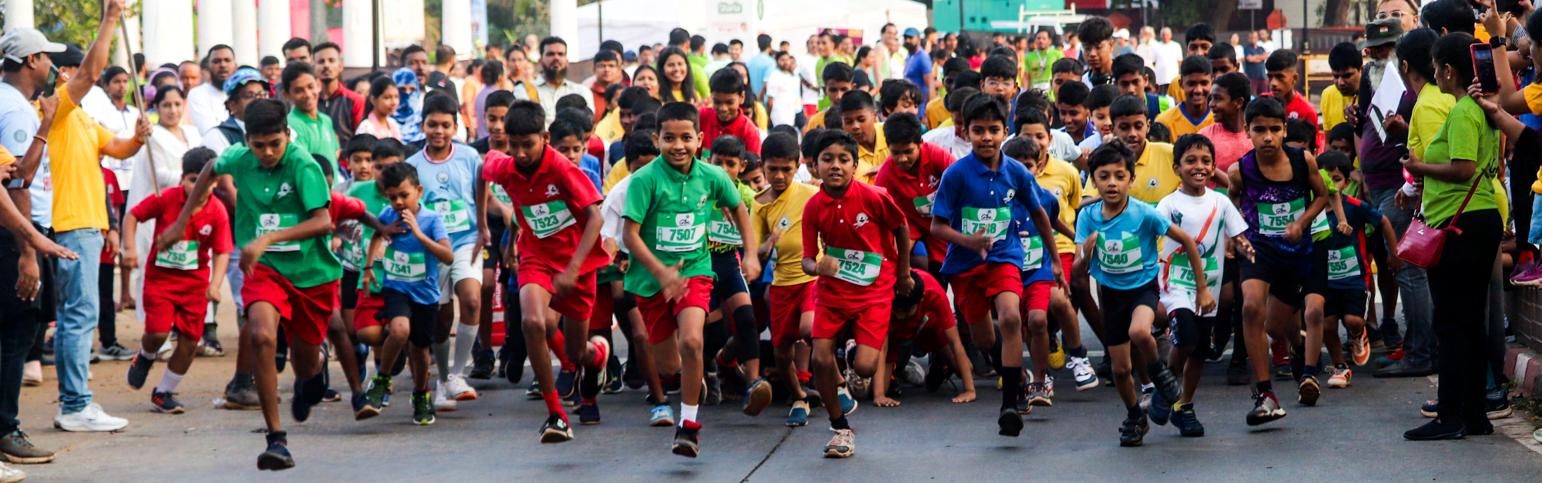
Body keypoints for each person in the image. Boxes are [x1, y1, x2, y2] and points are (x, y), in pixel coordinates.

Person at [159, 98, 338, 470]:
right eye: (259, 145)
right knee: (260, 335)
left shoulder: (303, 165)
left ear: (287, 135)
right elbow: (210, 167)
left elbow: (323, 221)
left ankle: (316, 366)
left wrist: (268, 238)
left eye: (275, 143)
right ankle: (277, 439)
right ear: (247, 141)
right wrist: (181, 221)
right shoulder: (239, 158)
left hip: (309, 274)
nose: (267, 152)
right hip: (265, 269)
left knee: (305, 364)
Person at [621, 102, 760, 457]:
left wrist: (750, 253)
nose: (678, 146)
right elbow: (630, 235)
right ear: (657, 139)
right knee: (670, 366)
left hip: (696, 270)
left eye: (686, 138)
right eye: (669, 138)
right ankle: (690, 378)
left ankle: (688, 425)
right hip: (651, 281)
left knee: (693, 341)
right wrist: (661, 272)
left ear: (699, 139)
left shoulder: (712, 176)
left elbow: (738, 207)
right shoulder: (644, 180)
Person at [930, 94, 1060, 437]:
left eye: (993, 130)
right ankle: (1013, 374)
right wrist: (968, 241)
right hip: (964, 265)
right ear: (966, 132)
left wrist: (1056, 260)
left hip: (1005, 256)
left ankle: (1010, 405)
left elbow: (1040, 215)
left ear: (1005, 131)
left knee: (1012, 317)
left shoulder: (1016, 172)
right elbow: (937, 227)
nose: (986, 137)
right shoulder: (955, 175)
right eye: (978, 130)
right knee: (985, 338)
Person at [42, 0, 141, 433]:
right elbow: (91, 73)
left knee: (78, 316)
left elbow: (115, 147)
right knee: (77, 318)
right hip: (72, 224)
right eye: (76, 68)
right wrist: (111, 18)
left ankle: (76, 401)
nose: (87, 75)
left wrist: (137, 139)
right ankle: (74, 404)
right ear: (64, 73)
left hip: (87, 224)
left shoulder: (80, 118)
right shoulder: (58, 108)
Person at [1401, 32, 1502, 441]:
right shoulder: (1482, 108)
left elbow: (1463, 168)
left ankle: (1450, 415)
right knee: (1469, 321)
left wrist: (1419, 168)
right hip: (1479, 220)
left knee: (1451, 322)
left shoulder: (1462, 111)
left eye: (1436, 67)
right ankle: (1474, 414)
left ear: (1448, 70)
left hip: (1461, 225)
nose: (1434, 74)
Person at [1077, 139, 1209, 447]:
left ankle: (1159, 372)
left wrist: (1202, 289)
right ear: (1093, 180)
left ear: (1131, 179)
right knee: (1121, 370)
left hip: (1143, 289)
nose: (1112, 183)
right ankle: (1135, 415)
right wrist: (1086, 252)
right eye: (1104, 176)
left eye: (1119, 176)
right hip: (1111, 295)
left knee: (1139, 331)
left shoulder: (1144, 214)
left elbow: (1187, 241)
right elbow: (1078, 265)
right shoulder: (1088, 217)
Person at [799, 129, 912, 458]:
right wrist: (818, 267)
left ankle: (852, 352)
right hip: (833, 291)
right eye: (827, 159)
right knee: (820, 358)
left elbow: (901, 227)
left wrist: (903, 273)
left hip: (873, 290)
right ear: (814, 165)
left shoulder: (873, 197)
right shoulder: (813, 207)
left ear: (855, 164)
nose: (835, 166)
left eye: (843, 159)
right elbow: (807, 259)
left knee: (864, 368)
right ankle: (840, 427)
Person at [1226, 96, 1332, 427]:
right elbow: (1232, 201)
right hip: (1260, 249)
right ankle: (1265, 394)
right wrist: (1234, 235)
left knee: (1278, 324)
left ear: (1285, 130)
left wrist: (1301, 223)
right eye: (1259, 130)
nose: (1268, 137)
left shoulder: (1303, 161)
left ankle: (1302, 355)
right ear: (1247, 131)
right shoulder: (1240, 170)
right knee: (1250, 308)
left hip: (1299, 251)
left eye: (1274, 129)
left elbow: (1322, 196)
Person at [121, 147, 231, 414]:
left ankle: (163, 393)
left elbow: (222, 251)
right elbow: (133, 215)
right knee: (158, 332)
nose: (199, 188)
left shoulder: (217, 211)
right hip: (160, 282)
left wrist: (215, 285)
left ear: (216, 183)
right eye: (193, 180)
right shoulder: (167, 198)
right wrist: (130, 248)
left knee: (190, 341)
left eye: (207, 182)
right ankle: (145, 356)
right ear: (182, 179)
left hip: (195, 286)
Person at [1155, 134, 1251, 438]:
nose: (1199, 166)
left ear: (1213, 167)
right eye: (1191, 161)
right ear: (1177, 168)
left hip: (1209, 288)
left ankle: (1184, 406)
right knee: (1185, 335)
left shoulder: (1220, 201)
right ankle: (1166, 388)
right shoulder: (1168, 204)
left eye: (1206, 161)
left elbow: (1238, 233)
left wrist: (1246, 246)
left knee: (1197, 351)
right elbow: (1153, 235)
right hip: (1176, 283)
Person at [405, 95, 488, 409]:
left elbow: (483, 189)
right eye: (432, 124)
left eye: (445, 125)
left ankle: (457, 375)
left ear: (456, 126)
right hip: (432, 248)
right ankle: (440, 381)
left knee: (471, 299)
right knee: (441, 318)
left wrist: (483, 226)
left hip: (466, 240)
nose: (439, 131)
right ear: (423, 125)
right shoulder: (413, 165)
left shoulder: (469, 157)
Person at [360, 161, 454, 426]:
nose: (399, 202)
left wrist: (419, 235)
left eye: (404, 195)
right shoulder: (387, 214)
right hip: (396, 287)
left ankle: (421, 393)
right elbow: (376, 236)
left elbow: (448, 256)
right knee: (399, 330)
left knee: (420, 350)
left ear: (419, 191)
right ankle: (382, 379)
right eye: (393, 197)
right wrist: (368, 268)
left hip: (425, 294)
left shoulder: (432, 220)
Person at [750, 133, 820, 426]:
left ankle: (835, 381)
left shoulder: (812, 193)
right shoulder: (759, 204)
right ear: (762, 166)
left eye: (786, 169)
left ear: (797, 166)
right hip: (781, 283)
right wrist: (766, 246)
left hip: (812, 277)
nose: (779, 176)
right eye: (772, 169)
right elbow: (755, 250)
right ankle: (799, 396)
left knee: (809, 328)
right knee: (781, 351)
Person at [127, 84, 202, 348]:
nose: (172, 110)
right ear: (157, 108)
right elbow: (158, 174)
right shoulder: (153, 135)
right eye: (166, 105)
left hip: (190, 210)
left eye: (177, 104)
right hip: (160, 210)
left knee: (186, 268)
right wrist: (193, 180)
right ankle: (156, 331)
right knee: (155, 271)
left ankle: (182, 328)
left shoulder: (192, 133)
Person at [873, 113, 954, 275]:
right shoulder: (886, 173)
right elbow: (876, 210)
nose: (902, 158)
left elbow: (962, 184)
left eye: (908, 151)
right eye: (896, 153)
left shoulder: (938, 156)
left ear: (920, 143)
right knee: (896, 257)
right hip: (910, 224)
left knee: (947, 270)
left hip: (943, 221)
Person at [282, 62, 341, 174]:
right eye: (299, 90)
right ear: (287, 95)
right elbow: (301, 166)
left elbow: (335, 152)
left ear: (318, 85)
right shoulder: (292, 126)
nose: (308, 94)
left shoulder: (326, 120)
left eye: (310, 87)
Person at [1198, 72, 1252, 180]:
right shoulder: (1204, 137)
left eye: (1218, 98)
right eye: (1211, 98)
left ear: (1238, 102)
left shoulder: (1255, 137)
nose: (1211, 104)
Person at [1263, 50, 1322, 148]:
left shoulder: (1307, 111)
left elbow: (1312, 148)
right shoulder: (1263, 103)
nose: (1273, 83)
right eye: (1270, 77)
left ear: (1294, 78)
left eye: (1279, 77)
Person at [700, 69, 762, 155]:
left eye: (730, 102)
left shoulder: (750, 133)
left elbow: (753, 162)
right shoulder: (702, 117)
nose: (723, 108)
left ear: (742, 97)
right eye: (717, 102)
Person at [314, 42, 366, 144]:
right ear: (314, 67)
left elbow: (360, 138)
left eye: (331, 60)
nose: (326, 65)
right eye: (321, 61)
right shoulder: (310, 100)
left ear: (340, 66)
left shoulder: (355, 100)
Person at [1155, 56, 1214, 139]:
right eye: (1191, 84)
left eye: (1204, 83)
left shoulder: (1220, 122)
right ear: (1181, 83)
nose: (1198, 90)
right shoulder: (1164, 122)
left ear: (1212, 82)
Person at [1320, 43, 1361, 134]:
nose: (1340, 82)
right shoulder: (1328, 95)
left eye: (1347, 76)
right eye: (1336, 76)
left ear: (1361, 70)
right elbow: (1329, 139)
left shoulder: (1374, 95)